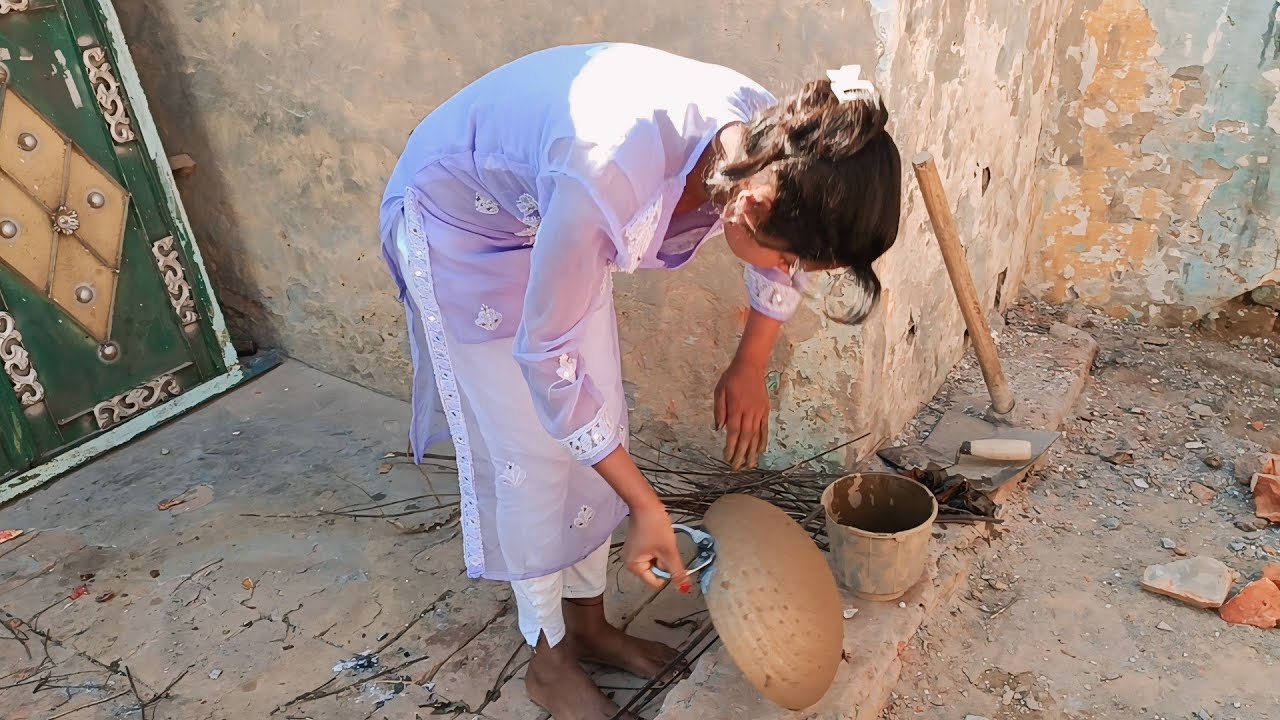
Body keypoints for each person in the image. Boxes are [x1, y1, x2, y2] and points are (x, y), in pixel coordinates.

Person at [379, 42, 901, 720]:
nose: (793, 271)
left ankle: (588, 622)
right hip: (460, 219)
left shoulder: (770, 142)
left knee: (602, 424)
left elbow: (782, 252)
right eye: (794, 257)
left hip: (550, 214)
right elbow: (545, 358)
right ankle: (548, 657)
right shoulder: (608, 177)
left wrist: (750, 363)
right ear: (752, 205)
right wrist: (648, 507)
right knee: (534, 454)